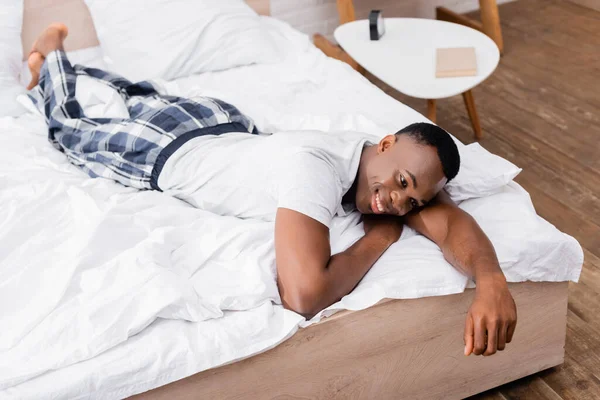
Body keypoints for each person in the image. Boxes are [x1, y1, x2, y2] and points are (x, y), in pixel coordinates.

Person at [26, 24, 517, 357]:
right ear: (387, 143)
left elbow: (449, 220)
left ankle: (80, 66)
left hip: (227, 123)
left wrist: (492, 280)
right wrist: (380, 238)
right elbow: (303, 295)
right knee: (72, 125)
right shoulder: (316, 168)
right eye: (402, 186)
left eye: (412, 203)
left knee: (142, 94)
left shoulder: (378, 162)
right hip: (168, 152)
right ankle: (49, 57)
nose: (396, 204)